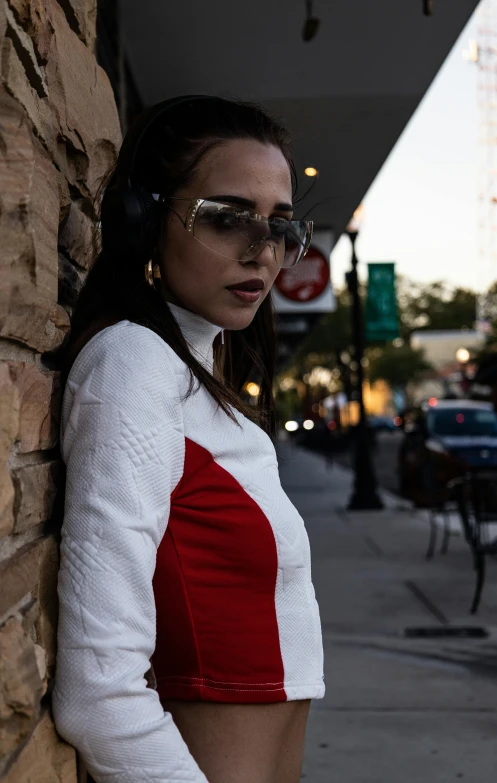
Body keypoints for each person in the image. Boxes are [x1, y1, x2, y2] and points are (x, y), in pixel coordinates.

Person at [51, 95, 324, 783]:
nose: (262, 251)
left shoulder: (195, 372)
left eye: (280, 227)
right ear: (143, 221)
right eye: (227, 218)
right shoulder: (133, 366)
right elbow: (97, 690)